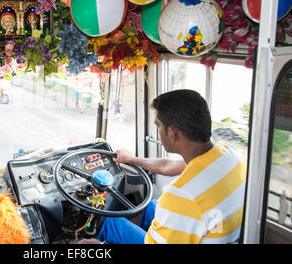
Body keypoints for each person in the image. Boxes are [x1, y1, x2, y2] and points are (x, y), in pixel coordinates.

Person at [80, 89, 247, 244]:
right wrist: (132, 159)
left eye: (158, 125)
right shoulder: (228, 152)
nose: (158, 131)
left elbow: (181, 198)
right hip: (222, 232)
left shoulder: (181, 195)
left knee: (112, 222)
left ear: (173, 133)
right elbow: (170, 165)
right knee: (152, 206)